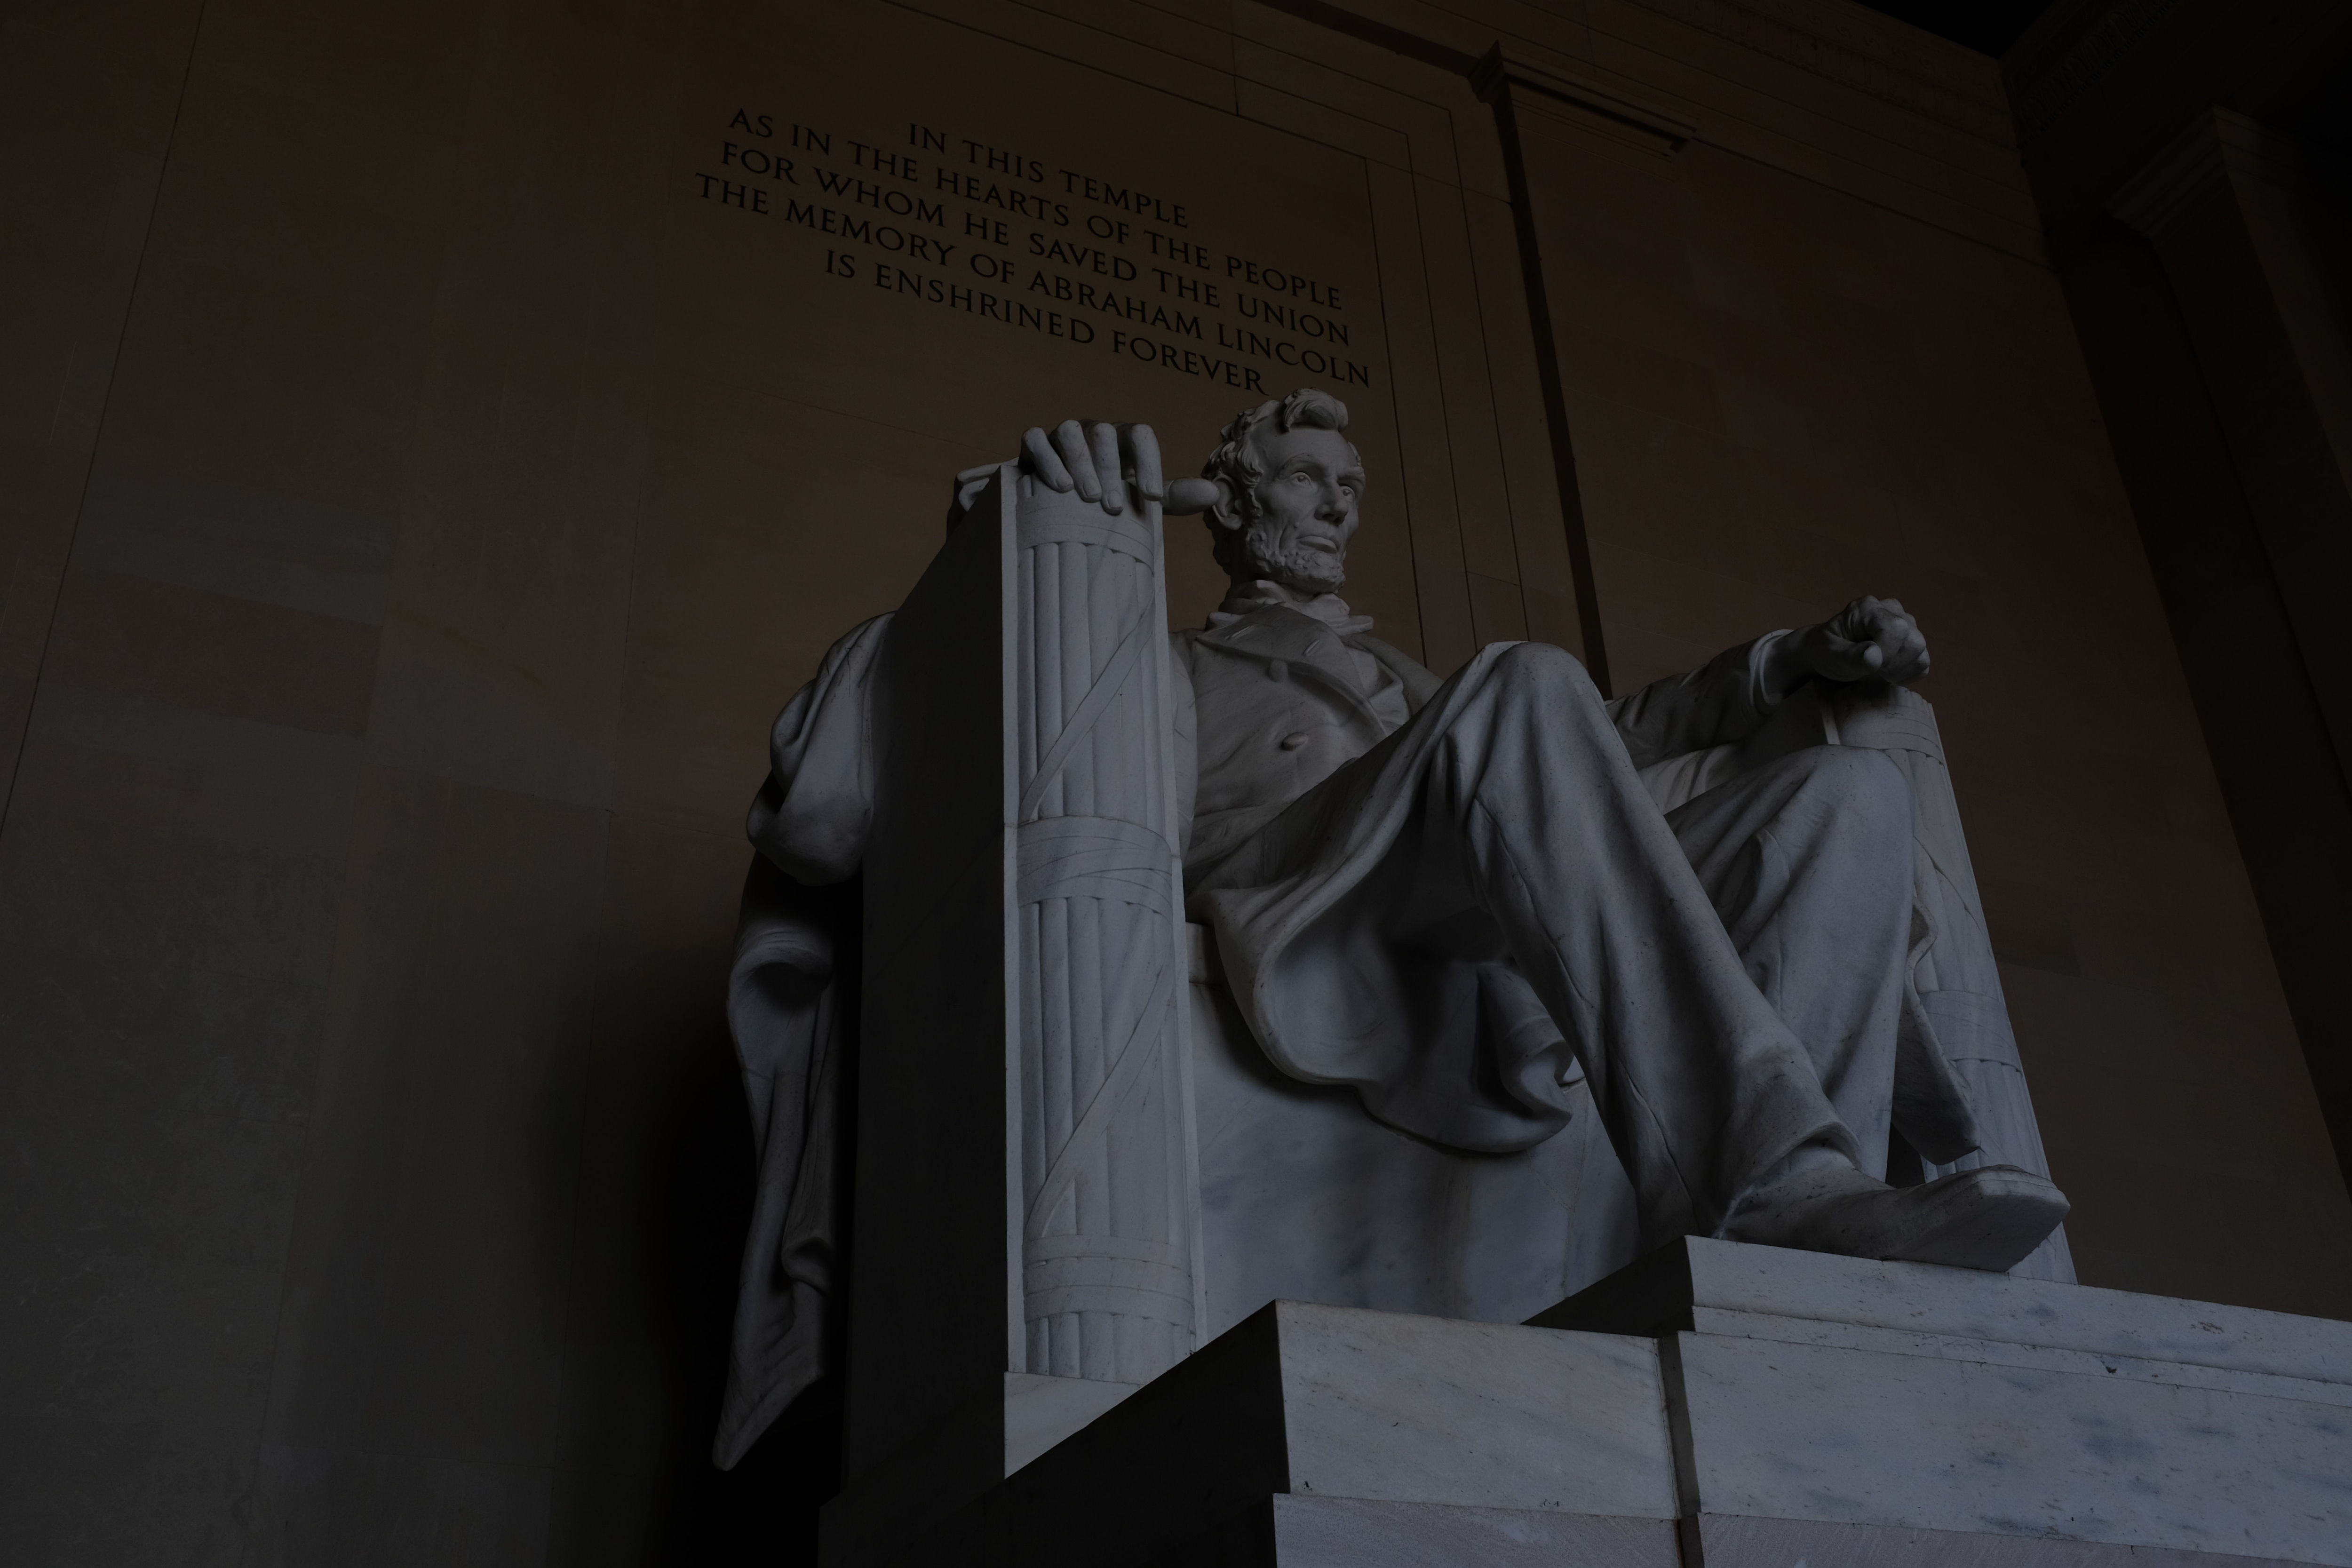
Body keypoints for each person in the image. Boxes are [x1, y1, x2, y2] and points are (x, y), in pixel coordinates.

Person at [1000, 390, 2066, 1271]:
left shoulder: (1424, 682)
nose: (1337, 508)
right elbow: (1012, 714)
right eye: (1303, 479)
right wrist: (1055, 497)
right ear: (1228, 504)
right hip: (1291, 875)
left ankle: (1817, 1220)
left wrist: (1788, 663)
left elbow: (1598, 745)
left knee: (1843, 795)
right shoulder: (1167, 652)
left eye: (1350, 487)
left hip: (1459, 871)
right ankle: (1772, 1180)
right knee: (1525, 679)